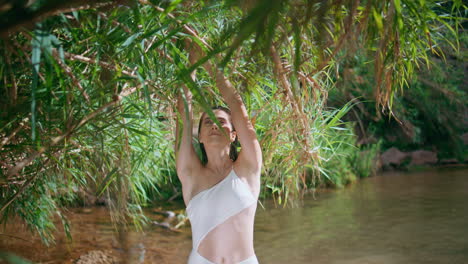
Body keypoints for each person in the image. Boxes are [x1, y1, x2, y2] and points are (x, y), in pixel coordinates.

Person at [175, 49, 262, 264]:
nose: (214, 125)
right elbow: (183, 113)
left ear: (234, 135)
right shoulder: (190, 174)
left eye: (222, 121)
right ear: (200, 137)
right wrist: (191, 58)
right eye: (207, 122)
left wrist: (207, 60)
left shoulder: (248, 168)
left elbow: (237, 107)